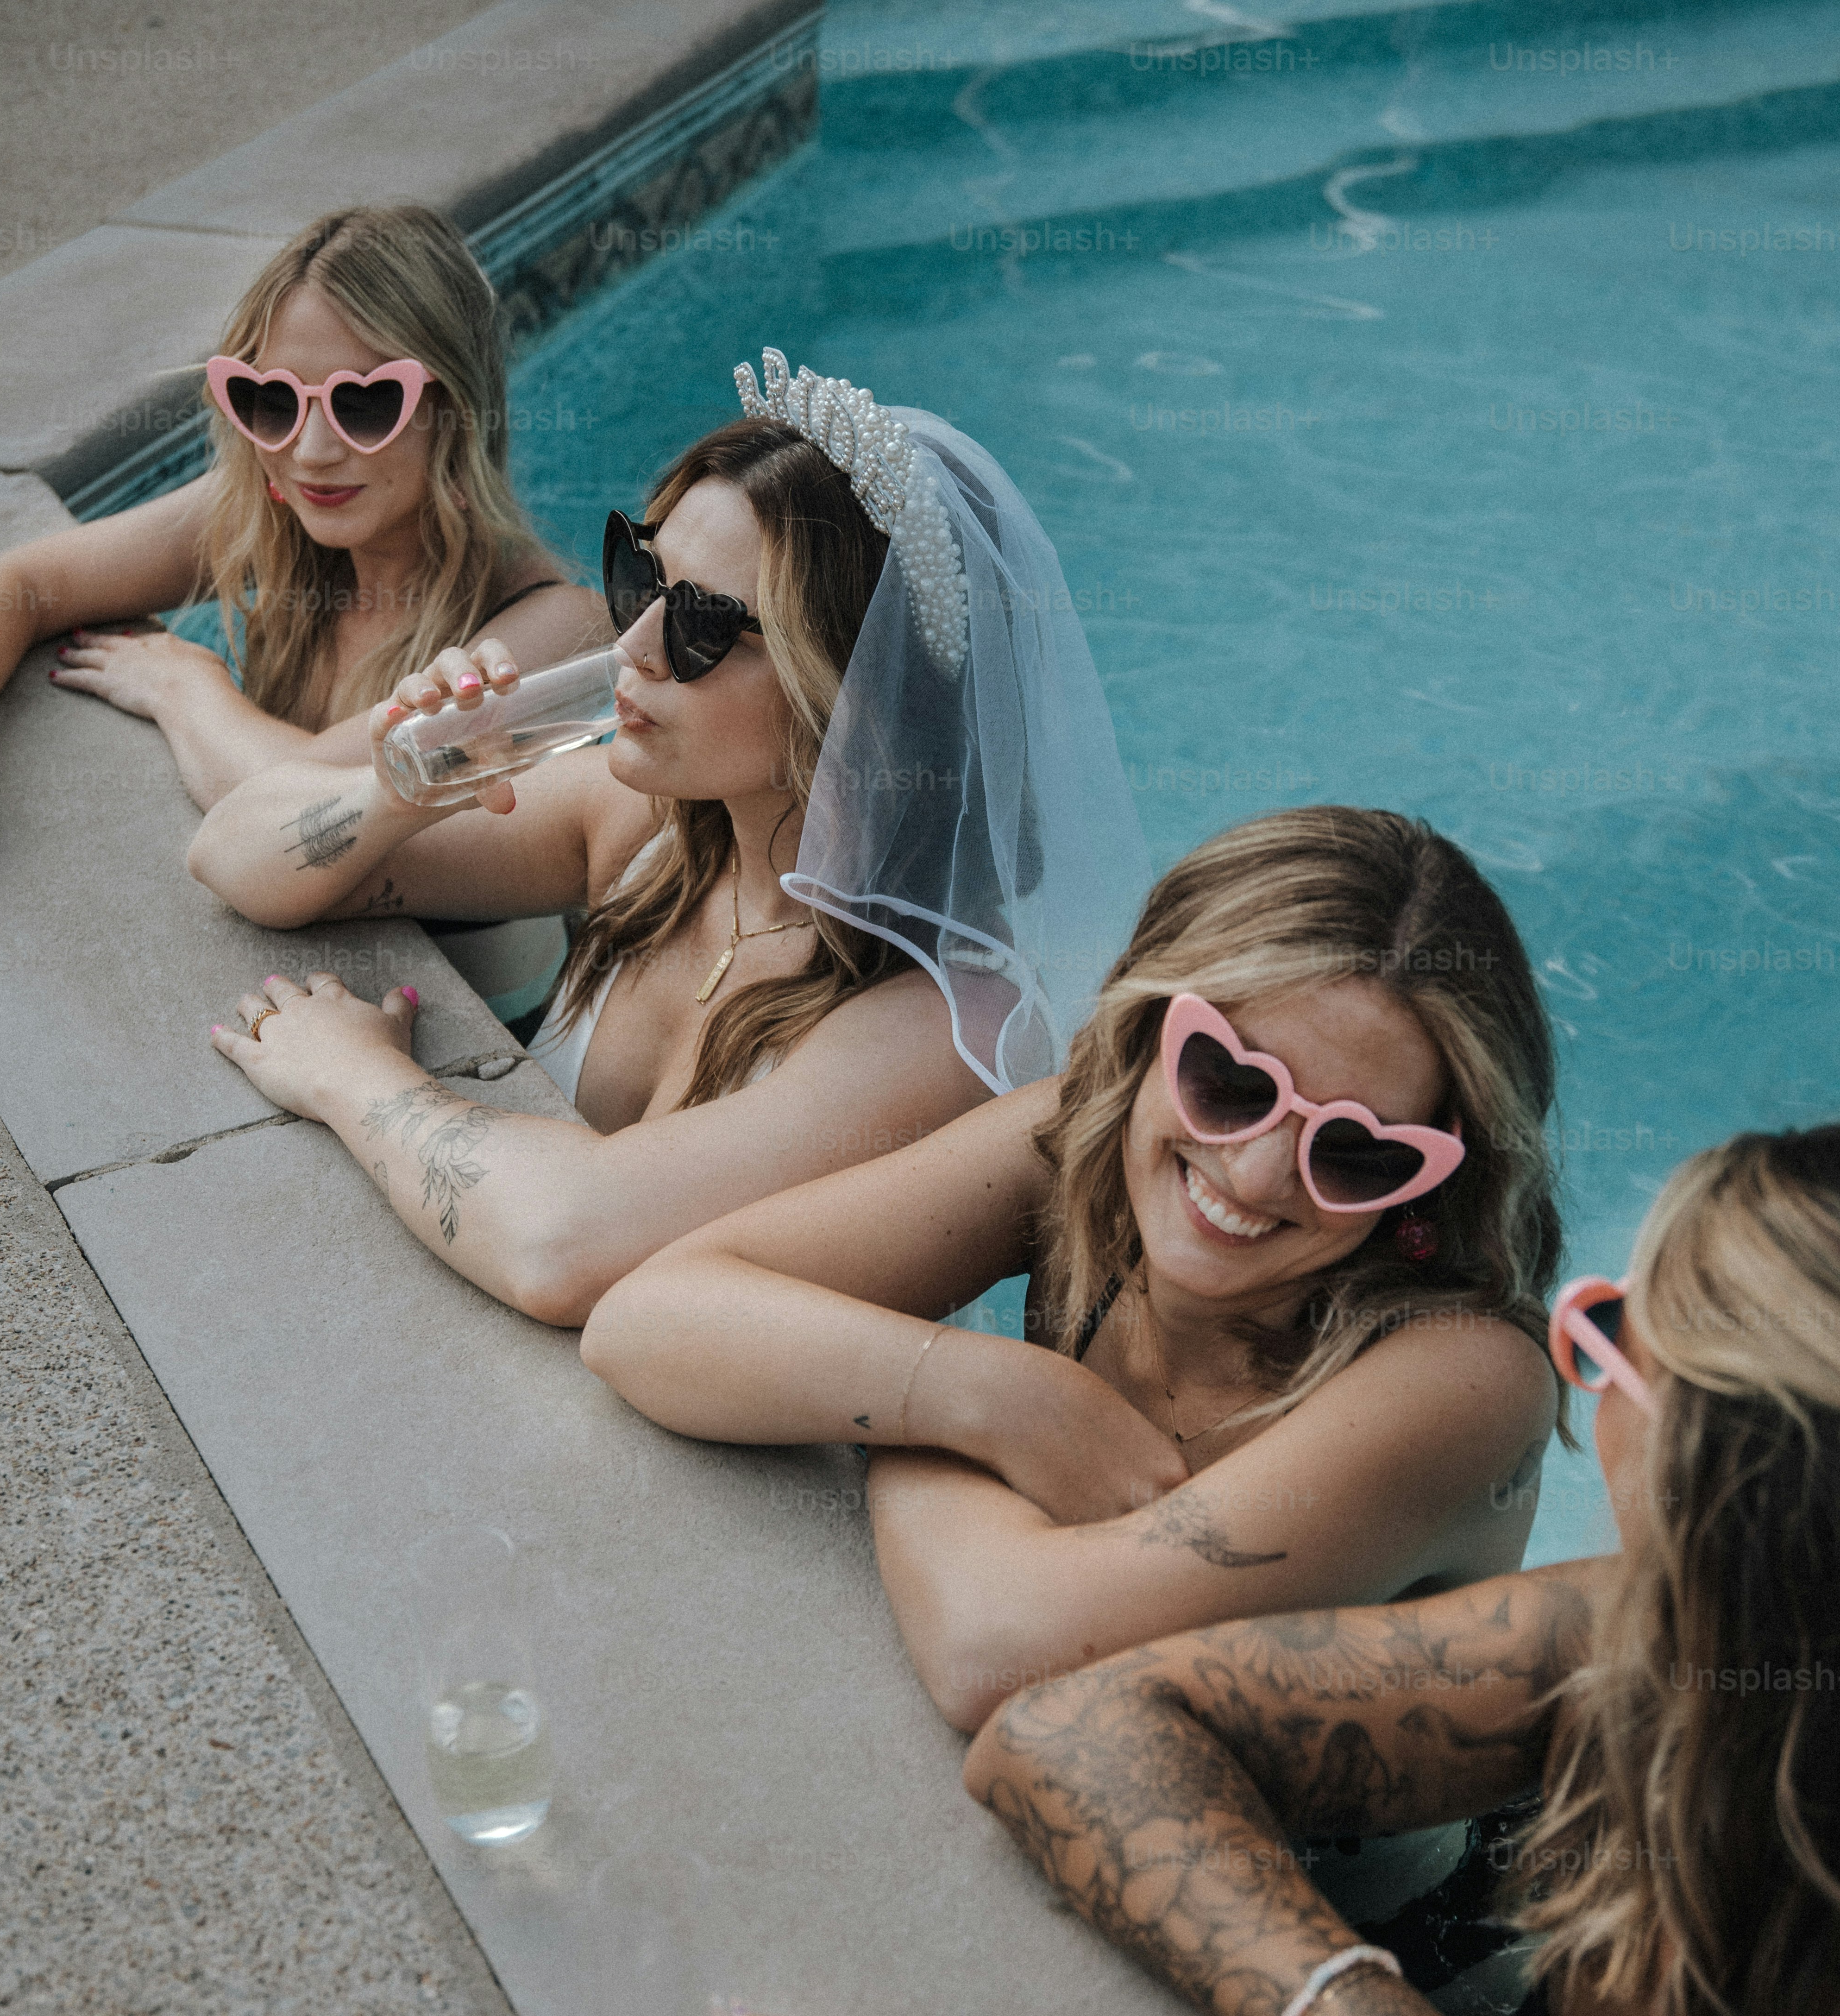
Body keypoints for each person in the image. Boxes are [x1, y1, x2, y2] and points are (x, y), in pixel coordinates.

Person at [565, 1115, 1840, 2016]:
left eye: (1615, 1335)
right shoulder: (1650, 1649)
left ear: (1744, 1484)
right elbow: (1071, 1733)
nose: (1582, 1368)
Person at [586, 808, 1564, 1774]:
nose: (1258, 1172)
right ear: (1146, 1028)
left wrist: (904, 1407)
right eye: (1230, 1081)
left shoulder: (1466, 1379)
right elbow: (644, 1316)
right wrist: (992, 1395)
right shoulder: (1083, 1150)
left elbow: (995, 1649)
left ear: (1430, 1181)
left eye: (1357, 1151)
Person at [187, 352, 1150, 1324]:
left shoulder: (944, 1027)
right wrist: (409, 780)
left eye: (701, 626)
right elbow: (231, 853)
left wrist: (351, 1072)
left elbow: (561, 1246)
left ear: (854, 698)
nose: (633, 645)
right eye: (640, 578)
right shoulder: (658, 840)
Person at [0, 204, 591, 822]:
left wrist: (184, 686)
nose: (310, 452)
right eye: (272, 400)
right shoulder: (273, 512)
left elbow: (309, 813)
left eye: (364, 404)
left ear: (456, 411)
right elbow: (24, 585)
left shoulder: (555, 630)